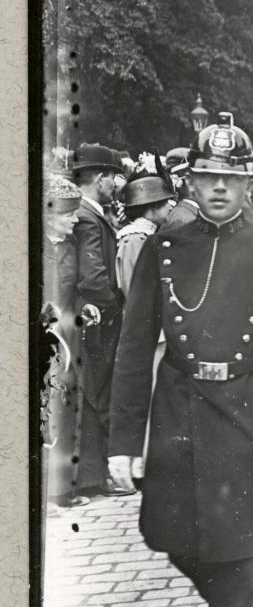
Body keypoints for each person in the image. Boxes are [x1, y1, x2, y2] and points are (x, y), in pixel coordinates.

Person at [108, 122, 253, 606]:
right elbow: (134, 350)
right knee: (178, 540)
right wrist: (123, 443)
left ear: (249, 183)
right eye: (208, 177)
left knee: (239, 556)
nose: (220, 187)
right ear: (190, 182)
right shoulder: (163, 249)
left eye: (231, 178)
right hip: (179, 414)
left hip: (250, 413)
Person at [68, 143, 136, 499]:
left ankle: (94, 475)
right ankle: (99, 476)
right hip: (99, 323)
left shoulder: (87, 213)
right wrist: (116, 307)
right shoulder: (87, 217)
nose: (116, 184)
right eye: (113, 177)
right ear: (99, 178)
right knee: (100, 394)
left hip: (93, 321)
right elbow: (92, 278)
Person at [42, 178, 88, 508]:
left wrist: (87, 306)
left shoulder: (72, 248)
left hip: (67, 342)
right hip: (39, 341)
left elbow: (78, 290)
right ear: (49, 215)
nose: (74, 219)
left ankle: (60, 490)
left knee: (65, 405)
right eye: (68, 213)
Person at [116, 173, 176, 297]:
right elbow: (135, 290)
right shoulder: (134, 239)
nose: (170, 207)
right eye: (165, 202)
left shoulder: (146, 235)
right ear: (153, 205)